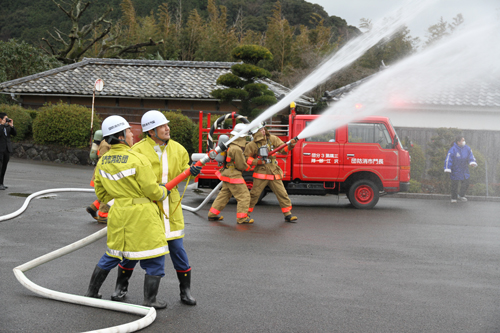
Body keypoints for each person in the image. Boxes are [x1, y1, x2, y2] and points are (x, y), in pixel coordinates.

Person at [112, 110, 201, 306]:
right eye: (162, 126)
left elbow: (185, 173)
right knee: (136, 249)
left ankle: (185, 291)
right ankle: (121, 287)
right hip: (147, 208)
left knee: (177, 249)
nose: (167, 128)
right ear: (151, 131)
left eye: (166, 125)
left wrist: (192, 171)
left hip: (171, 207)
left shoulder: (178, 149)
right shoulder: (137, 150)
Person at [85, 115, 170, 309]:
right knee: (154, 256)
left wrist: (120, 201)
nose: (133, 134)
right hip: (142, 214)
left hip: (118, 213)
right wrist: (163, 191)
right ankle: (150, 300)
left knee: (113, 253)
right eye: (129, 131)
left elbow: (101, 193)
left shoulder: (103, 161)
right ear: (121, 136)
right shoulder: (138, 158)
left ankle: (91, 292)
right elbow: (152, 190)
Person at [245, 122, 297, 222]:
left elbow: (284, 149)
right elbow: (247, 159)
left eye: (264, 129)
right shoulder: (251, 145)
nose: (263, 131)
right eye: (261, 130)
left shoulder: (272, 139)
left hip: (273, 172)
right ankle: (245, 214)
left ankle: (288, 215)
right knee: (254, 195)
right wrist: (258, 161)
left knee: (282, 193)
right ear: (256, 132)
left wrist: (291, 145)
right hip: (261, 173)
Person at [208, 123, 254, 224]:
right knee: (244, 196)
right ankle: (242, 218)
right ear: (241, 137)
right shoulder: (237, 149)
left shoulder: (230, 145)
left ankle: (212, 214)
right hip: (234, 174)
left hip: (226, 173)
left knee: (224, 195)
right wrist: (248, 167)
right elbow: (241, 164)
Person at [444, 135, 477, 203]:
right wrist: (447, 168)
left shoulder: (467, 148)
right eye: (463, 140)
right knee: (454, 185)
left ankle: (461, 195)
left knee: (466, 183)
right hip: (455, 169)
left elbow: (471, 156)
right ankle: (454, 198)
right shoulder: (453, 149)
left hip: (464, 170)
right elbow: (448, 159)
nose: (464, 141)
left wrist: (472, 162)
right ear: (458, 142)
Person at [86, 137, 111, 223]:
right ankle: (103, 215)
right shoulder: (106, 144)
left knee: (106, 193)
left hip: (104, 173)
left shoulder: (106, 142)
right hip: (103, 173)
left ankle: (93, 207)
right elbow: (103, 159)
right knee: (108, 193)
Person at [0, 113, 17, 190]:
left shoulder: (7, 127)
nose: (7, 120)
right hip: (0, 149)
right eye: (5, 118)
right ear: (0, 119)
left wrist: (11, 125)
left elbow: (14, 134)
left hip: (7, 149)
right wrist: (2, 125)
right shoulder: (1, 127)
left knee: (4, 167)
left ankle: (1, 183)